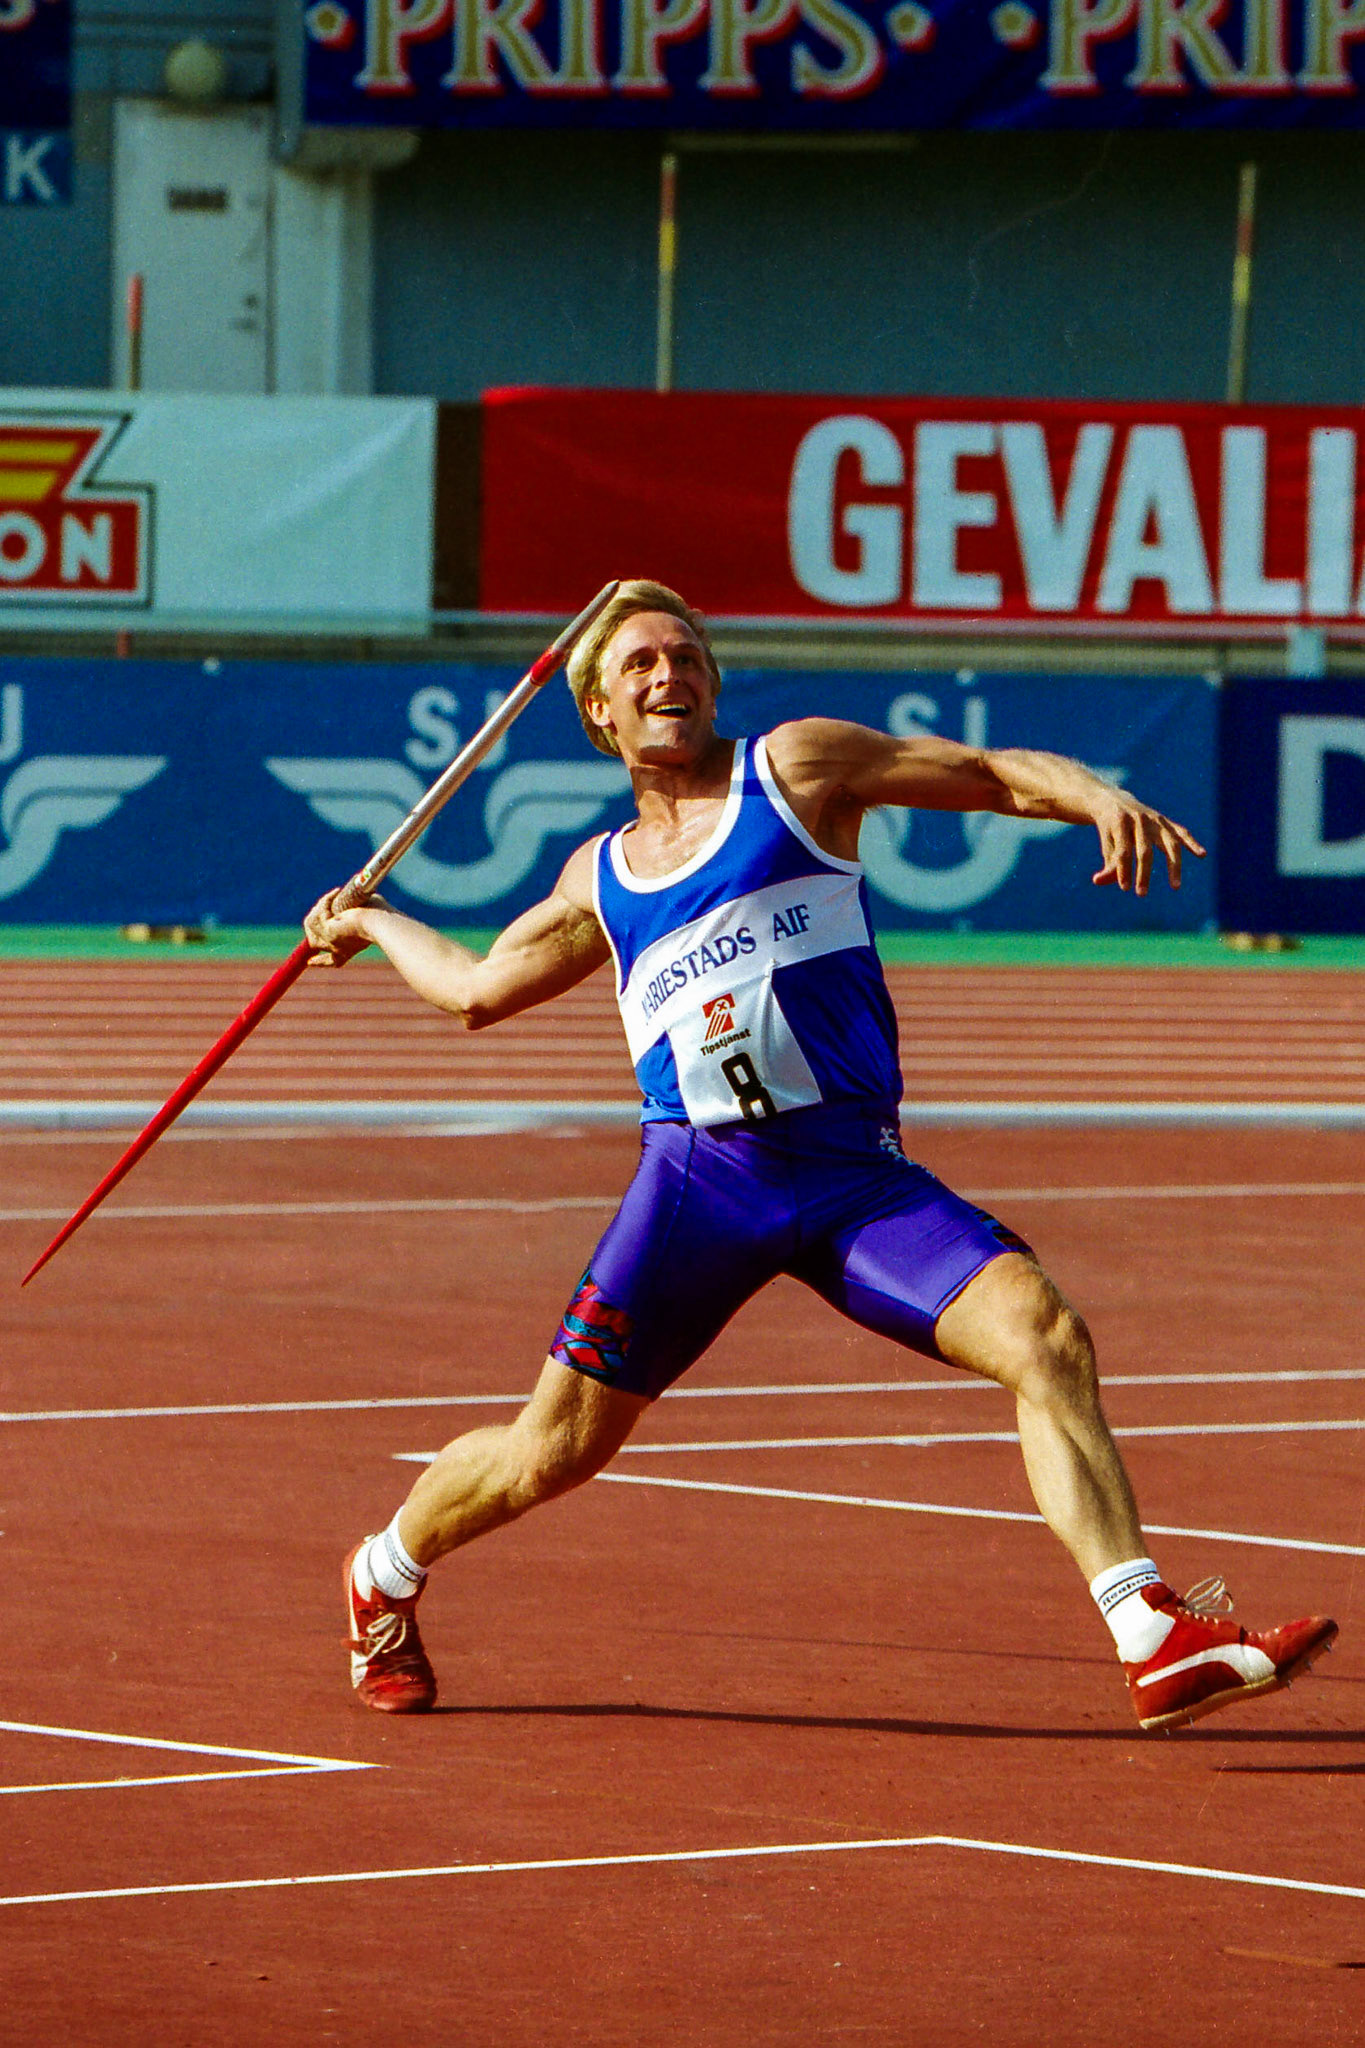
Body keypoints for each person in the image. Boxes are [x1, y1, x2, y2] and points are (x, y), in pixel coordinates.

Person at [305, 578, 1337, 1731]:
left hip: (856, 1175)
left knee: (1045, 1333)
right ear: (598, 710)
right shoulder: (597, 879)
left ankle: (1148, 1630)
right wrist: (371, 919)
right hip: (699, 1185)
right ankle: (383, 1571)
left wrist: (1095, 792)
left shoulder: (795, 771)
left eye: (686, 655)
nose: (669, 676)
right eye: (641, 662)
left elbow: (987, 775)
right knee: (548, 1454)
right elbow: (477, 992)